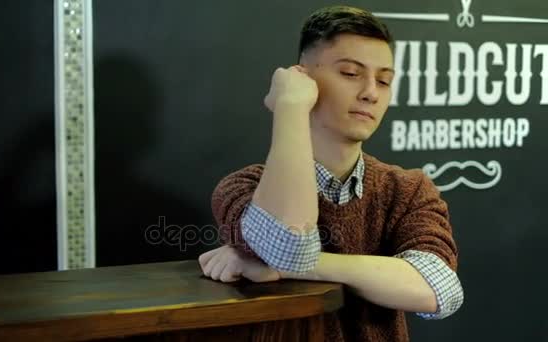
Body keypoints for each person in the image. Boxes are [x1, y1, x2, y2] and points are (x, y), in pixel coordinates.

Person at [198, 5, 463, 341]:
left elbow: (438, 290)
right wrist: (290, 106)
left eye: (384, 80)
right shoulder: (242, 187)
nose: (370, 92)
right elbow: (290, 245)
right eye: (351, 74)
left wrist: (287, 267)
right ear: (302, 77)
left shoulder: (408, 189)